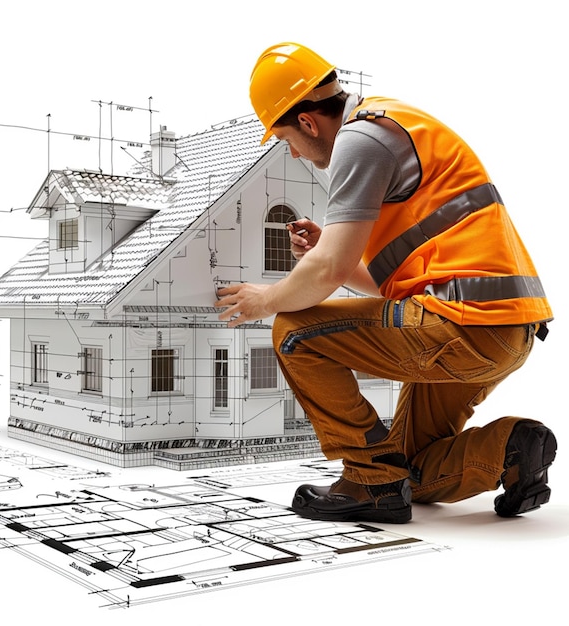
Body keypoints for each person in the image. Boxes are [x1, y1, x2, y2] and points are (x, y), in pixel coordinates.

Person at [215, 42, 556, 524]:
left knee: (291, 329)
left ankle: (369, 482)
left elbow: (327, 276)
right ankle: (510, 450)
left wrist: (264, 299)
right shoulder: (393, 122)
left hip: (462, 327)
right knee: (412, 469)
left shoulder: (360, 140)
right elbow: (385, 281)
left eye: (285, 138)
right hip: (505, 330)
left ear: (309, 122)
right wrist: (325, 253)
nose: (291, 151)